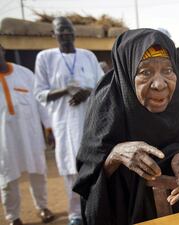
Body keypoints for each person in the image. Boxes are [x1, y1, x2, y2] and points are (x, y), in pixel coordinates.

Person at [72, 29, 179, 225]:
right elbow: (88, 177)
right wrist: (115, 155)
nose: (159, 84)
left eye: (167, 71)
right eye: (145, 72)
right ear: (127, 70)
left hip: (176, 211)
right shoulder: (107, 104)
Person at [34, 17, 103, 225]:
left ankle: (96, 209)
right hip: (64, 122)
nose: (65, 34)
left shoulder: (88, 56)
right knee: (70, 168)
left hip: (90, 121)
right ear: (53, 35)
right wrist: (66, 90)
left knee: (94, 165)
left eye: (69, 31)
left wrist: (86, 92)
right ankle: (75, 215)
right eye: (61, 31)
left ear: (74, 33)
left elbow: (102, 85)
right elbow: (40, 93)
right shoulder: (45, 58)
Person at [0, 44, 54, 225]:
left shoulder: (24, 74)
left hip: (30, 135)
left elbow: (41, 104)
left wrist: (49, 128)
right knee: (7, 178)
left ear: (3, 50)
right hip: (4, 141)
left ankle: (43, 207)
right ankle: (13, 216)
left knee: (38, 171)